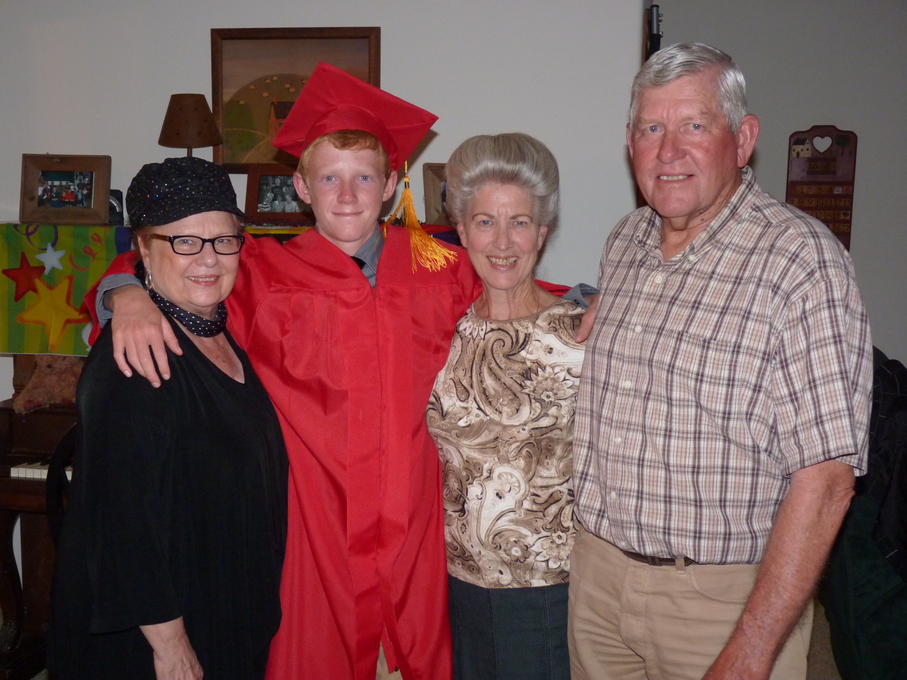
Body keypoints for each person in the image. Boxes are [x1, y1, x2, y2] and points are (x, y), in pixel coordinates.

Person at [86, 63, 480, 680]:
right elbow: (167, 261)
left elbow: (519, 298)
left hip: (418, 533)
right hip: (310, 537)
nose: (346, 195)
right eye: (329, 178)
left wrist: (588, 302)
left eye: (363, 178)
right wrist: (122, 294)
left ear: (391, 184)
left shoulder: (443, 269)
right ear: (300, 187)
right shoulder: (261, 271)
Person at [570, 42, 873, 680]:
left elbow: (826, 482)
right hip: (597, 585)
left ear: (742, 139)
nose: (669, 150)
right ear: (630, 141)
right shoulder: (625, 241)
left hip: (718, 603)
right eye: (652, 127)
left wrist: (752, 648)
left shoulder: (798, 261)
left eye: (694, 126)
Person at [48, 157, 288, 680]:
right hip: (159, 643)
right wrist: (171, 645)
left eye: (223, 240)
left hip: (223, 615)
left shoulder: (218, 334)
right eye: (183, 241)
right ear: (142, 249)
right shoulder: (134, 360)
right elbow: (122, 523)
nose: (207, 258)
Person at [426, 133, 584, 680]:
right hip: (458, 585)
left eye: (519, 222)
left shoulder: (581, 333)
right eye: (485, 221)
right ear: (461, 229)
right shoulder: (443, 329)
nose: (502, 240)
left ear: (542, 233)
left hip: (549, 589)